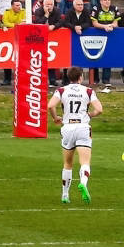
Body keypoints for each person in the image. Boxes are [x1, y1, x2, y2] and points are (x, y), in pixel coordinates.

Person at [50, 67, 102, 203]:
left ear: (68, 77)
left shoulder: (61, 90)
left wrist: (55, 118)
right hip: (83, 127)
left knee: (67, 163)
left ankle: (65, 195)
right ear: (81, 77)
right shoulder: (88, 91)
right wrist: (90, 114)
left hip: (67, 127)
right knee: (85, 162)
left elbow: (50, 105)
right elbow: (100, 109)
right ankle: (83, 183)